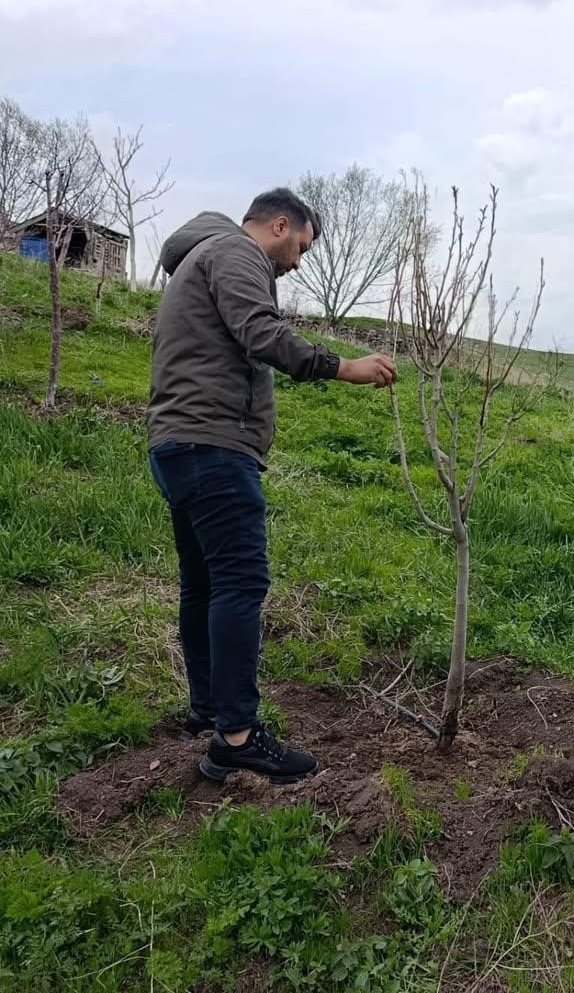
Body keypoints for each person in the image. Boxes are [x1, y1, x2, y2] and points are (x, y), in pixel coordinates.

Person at [147, 187, 396, 784]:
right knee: (240, 581)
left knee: (204, 585)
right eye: (301, 247)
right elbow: (261, 331)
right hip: (212, 445)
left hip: (178, 442)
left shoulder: (202, 254)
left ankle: (208, 710)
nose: (297, 262)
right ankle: (236, 735)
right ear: (281, 225)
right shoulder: (235, 253)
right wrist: (343, 367)